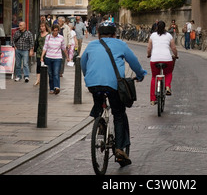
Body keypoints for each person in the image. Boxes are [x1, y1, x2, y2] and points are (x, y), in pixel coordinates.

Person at [81, 20, 147, 167]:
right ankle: (119, 148)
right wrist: (140, 74)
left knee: (99, 104)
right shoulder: (120, 44)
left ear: (98, 34)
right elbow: (134, 62)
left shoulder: (91, 45)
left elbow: (83, 64)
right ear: (115, 34)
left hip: (93, 84)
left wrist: (88, 77)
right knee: (118, 113)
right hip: (113, 85)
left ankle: (100, 122)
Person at [147, 20, 178, 105]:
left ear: (156, 27)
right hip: (167, 59)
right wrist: (176, 55)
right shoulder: (169, 35)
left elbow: (149, 48)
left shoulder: (152, 35)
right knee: (168, 73)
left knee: (154, 77)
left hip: (154, 60)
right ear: (165, 27)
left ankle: (153, 99)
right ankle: (167, 86)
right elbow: (174, 48)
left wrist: (149, 55)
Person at [40, 24, 69, 94]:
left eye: (57, 31)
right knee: (50, 74)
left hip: (57, 58)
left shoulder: (61, 38)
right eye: (54, 31)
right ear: (52, 31)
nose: (55, 32)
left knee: (56, 73)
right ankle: (51, 88)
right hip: (48, 57)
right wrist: (42, 56)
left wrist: (67, 57)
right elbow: (45, 47)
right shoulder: (48, 37)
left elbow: (63, 48)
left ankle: (57, 87)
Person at [34, 21, 50, 85]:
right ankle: (38, 80)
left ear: (45, 27)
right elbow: (36, 42)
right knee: (38, 65)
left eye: (43, 26)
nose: (41, 28)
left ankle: (44, 79)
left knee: (46, 66)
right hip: (39, 52)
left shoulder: (49, 35)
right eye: (40, 26)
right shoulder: (39, 34)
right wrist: (34, 50)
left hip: (47, 53)